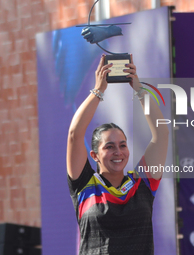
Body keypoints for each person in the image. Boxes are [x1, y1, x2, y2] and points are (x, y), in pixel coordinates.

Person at [66, 54, 169, 255]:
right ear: (94, 155)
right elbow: (74, 135)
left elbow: (161, 133)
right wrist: (98, 91)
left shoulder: (143, 182)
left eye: (122, 145)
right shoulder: (84, 185)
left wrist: (139, 89)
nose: (118, 152)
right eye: (110, 147)